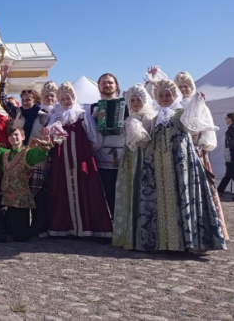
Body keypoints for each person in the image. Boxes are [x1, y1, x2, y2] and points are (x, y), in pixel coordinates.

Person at [137, 78, 226, 252]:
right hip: (158, 164)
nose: (164, 98)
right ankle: (163, 241)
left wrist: (196, 103)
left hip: (181, 163)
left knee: (182, 197)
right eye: (161, 95)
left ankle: (186, 242)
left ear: (174, 95)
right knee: (160, 200)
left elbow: (193, 126)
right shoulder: (154, 117)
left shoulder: (182, 113)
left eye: (168, 94)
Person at [46, 82, 113, 238]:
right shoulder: (55, 117)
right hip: (61, 160)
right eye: (62, 99)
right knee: (62, 188)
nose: (66, 101)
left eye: (68, 98)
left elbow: (94, 138)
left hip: (81, 158)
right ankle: (66, 227)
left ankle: (89, 227)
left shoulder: (83, 115)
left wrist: (87, 151)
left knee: (87, 186)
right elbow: (49, 138)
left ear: (73, 98)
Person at [0, 65, 50, 236]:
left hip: (37, 159)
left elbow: (49, 135)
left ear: (35, 100)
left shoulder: (44, 115)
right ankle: (22, 226)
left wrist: (43, 143)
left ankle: (38, 227)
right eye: (23, 99)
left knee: (36, 194)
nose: (26, 102)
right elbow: (3, 100)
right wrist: (3, 80)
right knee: (22, 191)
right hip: (19, 158)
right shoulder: (18, 113)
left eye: (29, 99)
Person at [111, 84, 156, 250]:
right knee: (128, 190)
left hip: (144, 158)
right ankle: (128, 231)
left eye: (139, 99)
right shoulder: (130, 118)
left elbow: (145, 140)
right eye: (132, 100)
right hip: (130, 159)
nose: (136, 103)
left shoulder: (149, 117)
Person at [0, 126, 53, 242]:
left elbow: (39, 154)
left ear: (23, 137)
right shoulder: (6, 155)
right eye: (11, 135)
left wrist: (45, 144)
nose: (13, 137)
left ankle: (38, 228)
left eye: (16, 135)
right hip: (7, 199)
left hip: (20, 199)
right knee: (10, 232)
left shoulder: (27, 153)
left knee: (19, 237)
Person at [90, 73, 127, 219]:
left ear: (116, 85)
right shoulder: (93, 107)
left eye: (110, 83)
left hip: (123, 154)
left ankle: (125, 229)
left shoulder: (126, 105)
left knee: (124, 193)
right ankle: (109, 228)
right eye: (103, 83)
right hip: (102, 155)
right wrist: (93, 118)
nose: (107, 85)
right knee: (107, 192)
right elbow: (89, 131)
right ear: (98, 86)